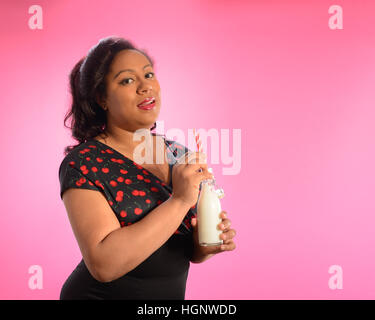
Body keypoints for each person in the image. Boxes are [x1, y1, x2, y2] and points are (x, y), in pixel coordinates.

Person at [58, 36, 237, 300]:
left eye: (149, 75)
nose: (145, 87)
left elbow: (183, 251)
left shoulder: (180, 156)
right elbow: (103, 265)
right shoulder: (85, 162)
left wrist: (207, 242)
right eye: (127, 80)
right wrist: (179, 200)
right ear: (102, 98)